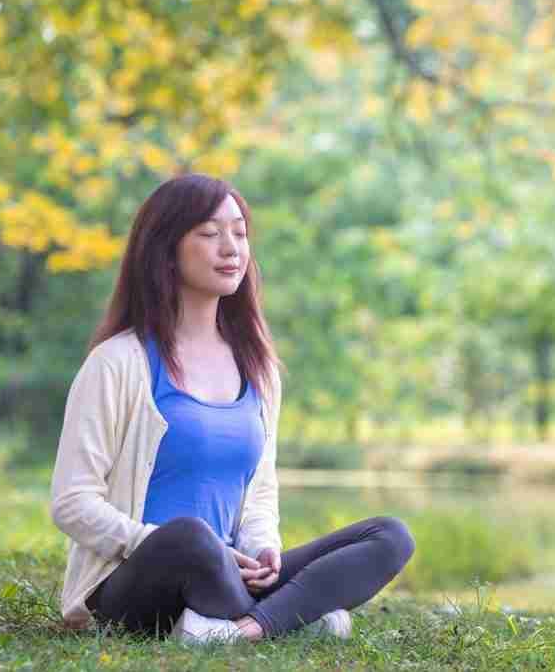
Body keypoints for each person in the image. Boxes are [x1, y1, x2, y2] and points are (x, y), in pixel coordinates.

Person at [49, 173, 415, 644]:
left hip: (225, 576)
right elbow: (72, 503)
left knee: (389, 535)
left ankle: (244, 628)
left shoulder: (257, 367)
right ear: (165, 249)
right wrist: (151, 539)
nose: (231, 248)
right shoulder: (118, 363)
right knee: (191, 538)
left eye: (240, 233)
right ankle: (294, 620)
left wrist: (262, 548)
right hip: (136, 584)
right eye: (208, 233)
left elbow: (260, 491)